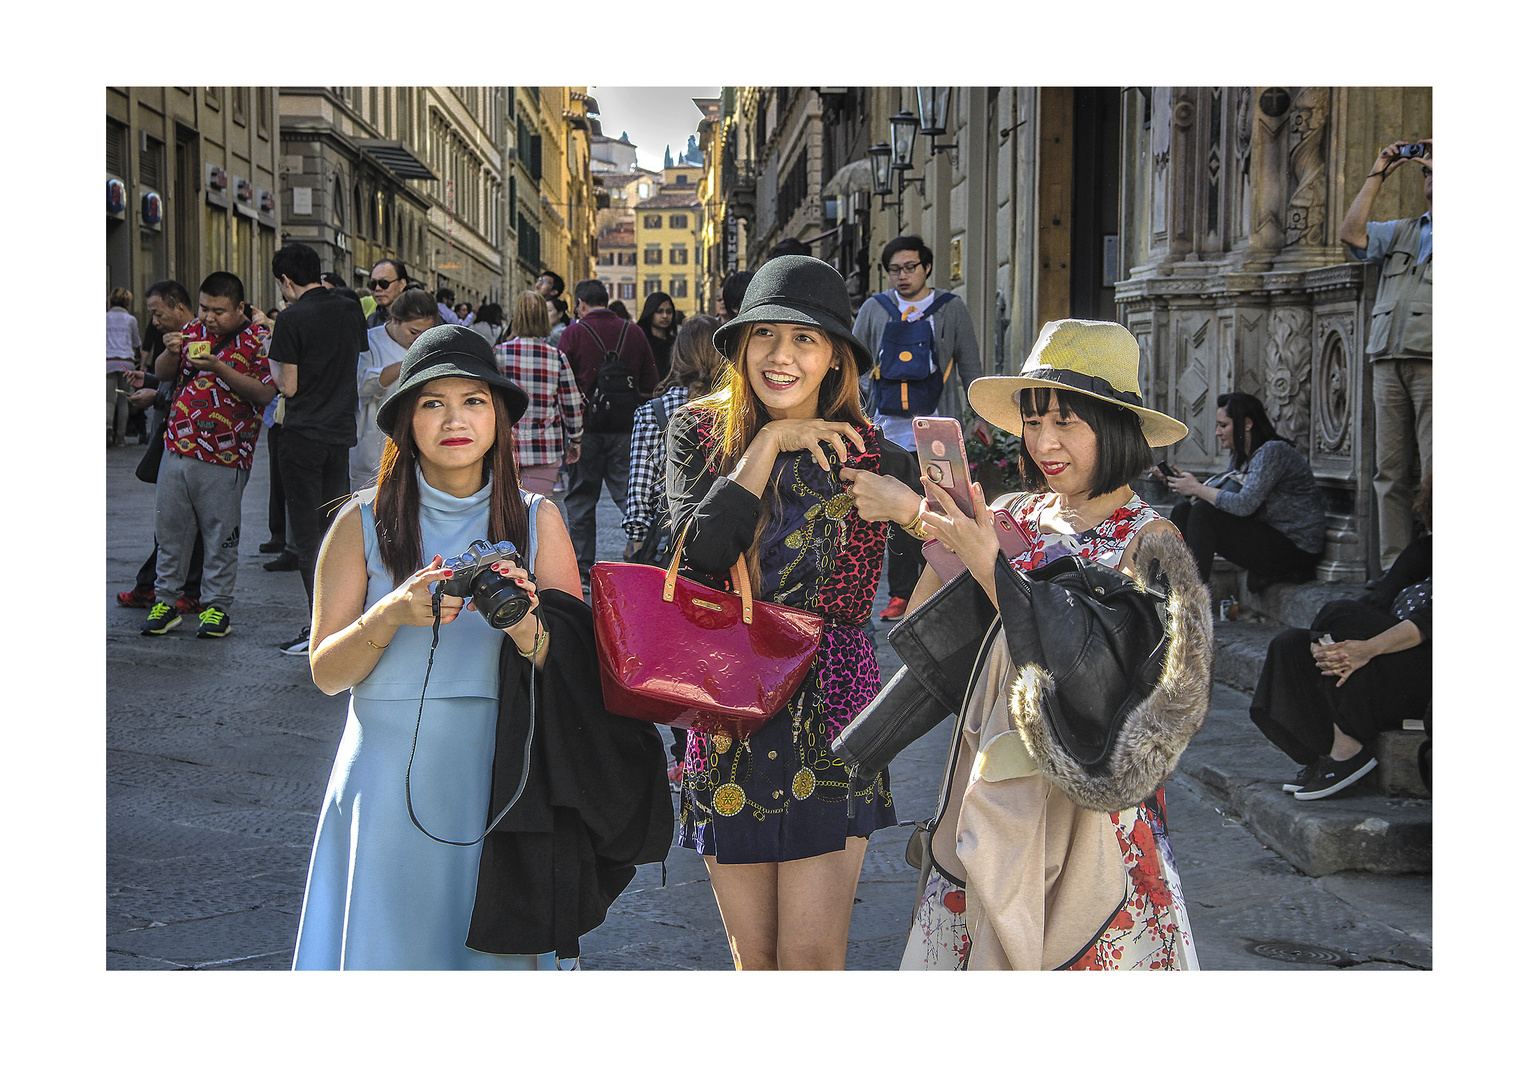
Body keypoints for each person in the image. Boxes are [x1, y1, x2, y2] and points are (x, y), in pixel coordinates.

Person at [292, 324, 671, 968]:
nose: (453, 420)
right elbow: (327, 673)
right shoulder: (358, 521)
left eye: (473, 400)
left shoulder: (536, 517)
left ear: (499, 417)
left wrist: (526, 623)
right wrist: (391, 613)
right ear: (406, 421)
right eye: (432, 403)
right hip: (383, 775)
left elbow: (576, 670)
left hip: (502, 775)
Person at [868, 318, 1204, 970]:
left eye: (1066, 423)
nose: (1044, 442)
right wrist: (941, 535)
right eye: (1032, 421)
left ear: (1114, 426)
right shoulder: (1018, 512)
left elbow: (1117, 692)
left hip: (1094, 823)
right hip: (992, 795)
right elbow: (934, 623)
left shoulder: (1152, 540)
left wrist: (985, 562)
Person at [664, 255, 921, 969]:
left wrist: (921, 512)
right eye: (765, 335)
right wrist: (767, 444)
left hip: (834, 711)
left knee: (809, 958)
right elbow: (694, 560)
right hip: (728, 700)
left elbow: (948, 568)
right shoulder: (697, 432)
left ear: (836, 356)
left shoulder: (876, 457)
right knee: (755, 959)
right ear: (740, 346)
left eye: (804, 339)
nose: (781, 356)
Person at [1249, 473, 1431, 800]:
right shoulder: (1425, 551)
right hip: (1389, 656)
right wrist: (1333, 644)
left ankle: (1347, 751)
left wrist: (1366, 648)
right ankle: (1323, 753)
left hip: (1426, 667)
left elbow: (1429, 622)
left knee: (1340, 615)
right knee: (1289, 646)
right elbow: (1378, 600)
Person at [852, 235, 985, 623]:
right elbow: (855, 366)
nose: (903, 276)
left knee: (945, 505)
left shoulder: (950, 308)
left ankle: (943, 587)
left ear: (926, 267)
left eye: (910, 267)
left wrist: (978, 419)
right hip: (886, 429)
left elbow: (970, 364)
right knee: (898, 512)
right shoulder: (874, 309)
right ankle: (900, 594)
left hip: (938, 430)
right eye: (895, 270)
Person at [139, 272, 275, 640]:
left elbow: (264, 394)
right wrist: (170, 351)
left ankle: (216, 607)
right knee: (169, 532)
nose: (209, 317)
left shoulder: (259, 340)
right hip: (176, 450)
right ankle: (165, 601)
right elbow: (164, 374)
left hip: (227, 457)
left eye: (219, 310)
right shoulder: (193, 332)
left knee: (220, 537)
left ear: (240, 308)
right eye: (204, 308)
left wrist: (219, 367)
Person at [268, 242, 370, 655]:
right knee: (337, 529)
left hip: (303, 433)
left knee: (309, 538)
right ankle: (345, 618)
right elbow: (357, 356)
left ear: (287, 281)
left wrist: (270, 359)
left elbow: (287, 385)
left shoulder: (291, 318)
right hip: (339, 432)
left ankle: (319, 626)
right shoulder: (348, 309)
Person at [1339, 139, 1432, 572]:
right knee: (1389, 475)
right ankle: (1396, 574)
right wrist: (1379, 171)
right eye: (1428, 172)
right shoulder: (1405, 230)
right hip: (1388, 360)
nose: (1431, 177)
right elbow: (1352, 233)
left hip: (1436, 362)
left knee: (1438, 474)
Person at [1161, 391, 1325, 592]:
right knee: (1183, 510)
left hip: (1297, 550)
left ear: (1247, 424)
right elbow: (1225, 500)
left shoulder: (1272, 451)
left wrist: (1197, 488)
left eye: (1223, 425)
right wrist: (1184, 486)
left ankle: (1193, 601)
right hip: (1270, 537)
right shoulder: (1242, 457)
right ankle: (1174, 590)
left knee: (1204, 512)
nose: (1217, 432)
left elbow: (1244, 504)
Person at [557, 279, 659, 586]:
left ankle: (582, 568)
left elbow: (563, 383)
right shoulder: (634, 332)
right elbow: (650, 380)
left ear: (581, 304)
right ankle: (644, 553)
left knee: (580, 499)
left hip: (584, 429)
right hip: (625, 429)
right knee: (630, 495)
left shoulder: (573, 333)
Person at [117, 279, 206, 613]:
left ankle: (184, 590)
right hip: (173, 441)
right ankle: (154, 585)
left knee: (189, 522)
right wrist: (153, 384)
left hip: (199, 445)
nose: (153, 321)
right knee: (169, 521)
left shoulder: (199, 339)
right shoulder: (173, 339)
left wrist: (156, 392)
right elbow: (177, 382)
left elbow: (200, 391)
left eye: (157, 313)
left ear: (178, 306)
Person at [494, 291, 584, 497]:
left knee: (505, 512)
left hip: (504, 447)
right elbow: (572, 404)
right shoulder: (556, 358)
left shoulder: (498, 354)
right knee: (536, 513)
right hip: (544, 448)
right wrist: (575, 440)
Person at [351, 287, 440, 490]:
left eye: (426, 334)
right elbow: (361, 385)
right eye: (414, 332)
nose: (419, 340)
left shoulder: (432, 346)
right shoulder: (369, 341)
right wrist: (406, 363)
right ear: (395, 320)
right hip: (372, 444)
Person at [106, 287, 142, 446]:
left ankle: (107, 427)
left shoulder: (104, 318)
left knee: (108, 400)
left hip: (108, 360)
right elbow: (136, 342)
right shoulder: (131, 320)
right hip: (126, 361)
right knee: (123, 399)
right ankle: (120, 437)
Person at [635, 292, 680, 382]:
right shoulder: (641, 342)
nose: (665, 316)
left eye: (669, 312)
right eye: (659, 311)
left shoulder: (676, 343)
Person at [366, 259, 410, 329]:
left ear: (401, 284)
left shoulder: (418, 316)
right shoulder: (372, 320)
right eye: (373, 284)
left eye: (384, 283)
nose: (378, 288)